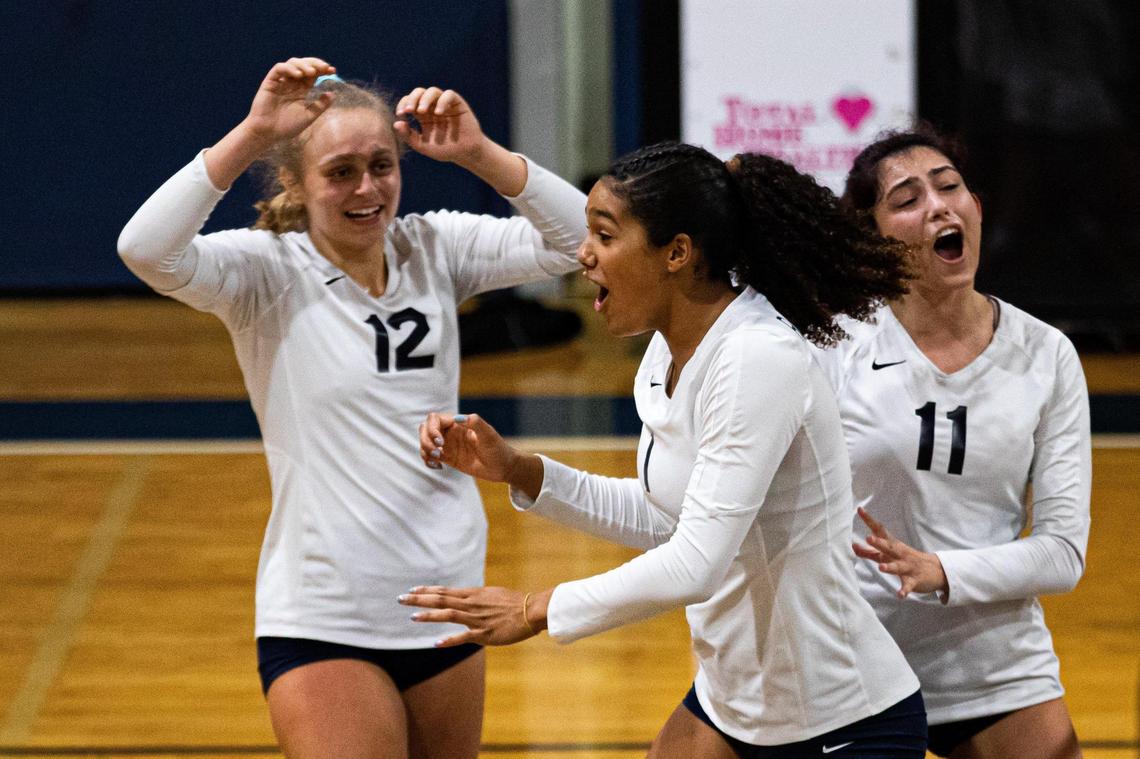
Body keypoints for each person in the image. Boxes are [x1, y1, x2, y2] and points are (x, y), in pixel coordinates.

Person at [117, 57, 586, 759]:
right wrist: (252, 132)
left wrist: (479, 153)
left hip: (444, 608)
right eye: (340, 172)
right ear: (296, 184)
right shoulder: (265, 271)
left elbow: (583, 241)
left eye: (382, 165)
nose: (367, 188)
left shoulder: (433, 246)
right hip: (325, 616)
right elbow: (145, 249)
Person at [401, 141, 928, 758]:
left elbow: (695, 563)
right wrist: (522, 472)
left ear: (677, 253)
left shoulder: (757, 357)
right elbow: (668, 517)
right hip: (735, 703)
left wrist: (535, 608)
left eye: (604, 234)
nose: (583, 254)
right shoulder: (662, 355)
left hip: (840, 721)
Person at [817, 124, 1091, 758]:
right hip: (854, 663)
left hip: (991, 663)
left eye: (950, 187)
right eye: (907, 199)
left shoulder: (1048, 354)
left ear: (975, 209)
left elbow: (1062, 553)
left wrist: (943, 570)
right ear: (873, 237)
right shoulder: (832, 346)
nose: (938, 205)